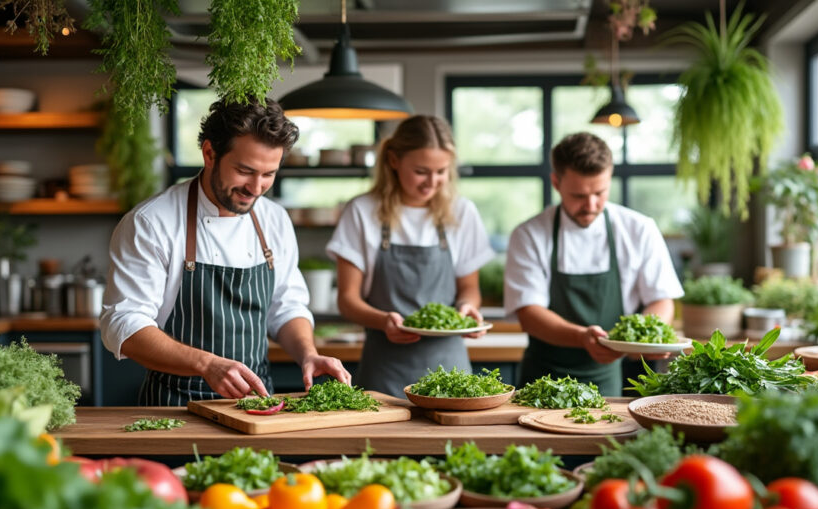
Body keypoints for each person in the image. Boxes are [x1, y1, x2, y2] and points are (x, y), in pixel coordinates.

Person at [100, 98, 350, 406]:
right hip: (175, 409)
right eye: (245, 171)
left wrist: (308, 354)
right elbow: (124, 323)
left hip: (257, 407)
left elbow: (286, 306)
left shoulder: (274, 219)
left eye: (269, 174)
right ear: (209, 154)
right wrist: (207, 365)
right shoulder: (152, 222)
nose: (256, 188)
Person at [326, 115, 496, 397]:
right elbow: (347, 300)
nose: (432, 182)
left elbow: (469, 289)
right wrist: (384, 321)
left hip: (452, 375)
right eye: (421, 171)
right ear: (393, 160)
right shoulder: (362, 211)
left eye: (441, 171)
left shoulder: (462, 212)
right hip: (384, 373)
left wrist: (467, 309)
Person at [504, 132, 683, 396]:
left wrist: (641, 341)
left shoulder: (638, 229)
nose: (590, 205)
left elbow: (661, 299)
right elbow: (529, 314)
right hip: (542, 381)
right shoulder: (529, 234)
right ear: (556, 183)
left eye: (600, 192)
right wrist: (580, 337)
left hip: (616, 377)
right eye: (578, 195)